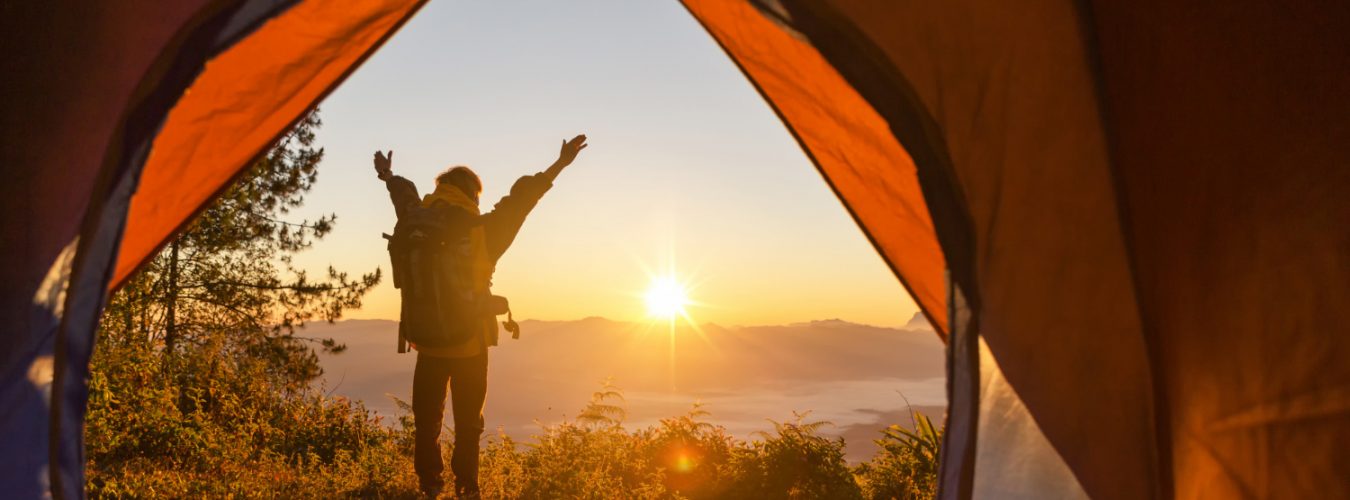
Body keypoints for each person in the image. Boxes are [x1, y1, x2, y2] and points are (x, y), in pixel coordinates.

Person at [373, 135, 588, 498]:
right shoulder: (484, 230)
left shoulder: (416, 220)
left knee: (427, 422)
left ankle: (429, 485)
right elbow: (523, 199)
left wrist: (387, 174)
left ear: (440, 190)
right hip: (469, 344)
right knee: (468, 424)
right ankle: (467, 489)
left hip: (424, 340)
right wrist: (560, 164)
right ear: (473, 194)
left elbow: (404, 194)